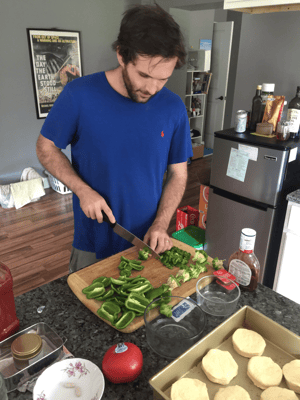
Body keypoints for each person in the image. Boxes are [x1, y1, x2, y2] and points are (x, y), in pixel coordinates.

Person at [36, 4, 193, 272]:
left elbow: (178, 174)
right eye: (143, 74)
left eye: (162, 79)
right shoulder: (79, 95)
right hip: (91, 243)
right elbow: (46, 147)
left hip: (147, 244)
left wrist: (160, 224)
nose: (151, 88)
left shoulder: (174, 107)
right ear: (121, 55)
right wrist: (83, 190)